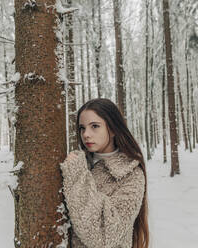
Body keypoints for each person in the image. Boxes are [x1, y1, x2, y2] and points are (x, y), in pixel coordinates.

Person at [60, 98, 149, 248]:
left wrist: (77, 174)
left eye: (94, 126)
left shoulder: (131, 175)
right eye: (82, 128)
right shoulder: (77, 165)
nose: (86, 134)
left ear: (113, 129)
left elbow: (103, 236)